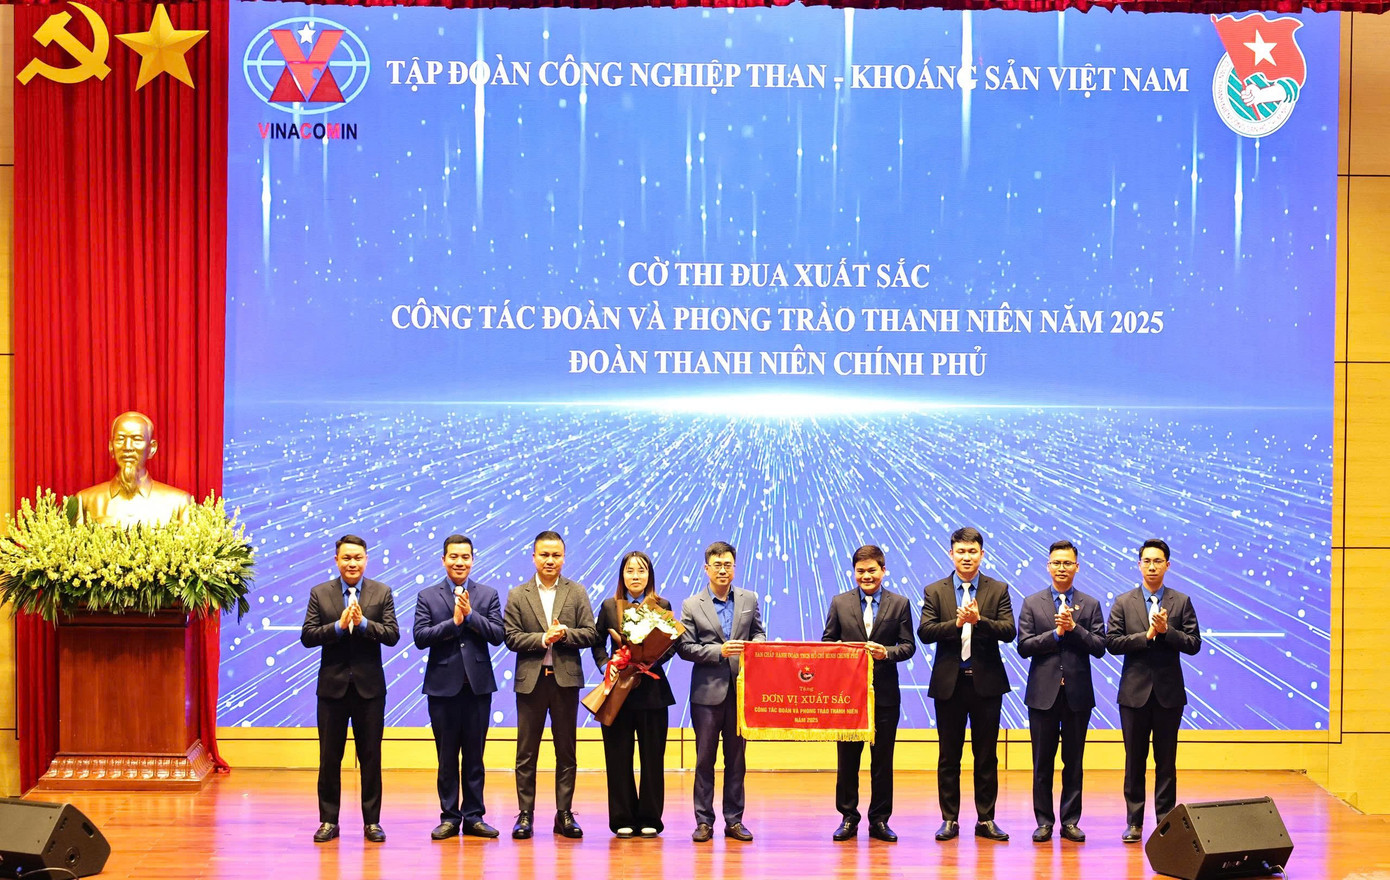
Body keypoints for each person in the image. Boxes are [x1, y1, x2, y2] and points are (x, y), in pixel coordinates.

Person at [917, 526, 1016, 843]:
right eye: (961, 551)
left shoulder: (997, 589)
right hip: (950, 685)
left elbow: (1009, 631)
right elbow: (925, 632)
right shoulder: (935, 591)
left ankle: (986, 819)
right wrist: (957, 623)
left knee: (986, 756)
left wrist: (979, 621)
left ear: (982, 554)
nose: (967, 557)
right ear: (951, 554)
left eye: (972, 551)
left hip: (986, 684)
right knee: (949, 756)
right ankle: (949, 819)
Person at [299, 535, 400, 844]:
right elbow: (308, 636)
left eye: (357, 558)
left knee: (371, 757)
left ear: (366, 559)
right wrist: (338, 627)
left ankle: (372, 822)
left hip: (370, 690)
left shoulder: (382, 592)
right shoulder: (320, 593)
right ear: (336, 560)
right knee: (329, 758)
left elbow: (392, 635)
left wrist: (364, 624)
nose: (352, 563)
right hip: (332, 690)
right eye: (346, 558)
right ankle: (329, 821)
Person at [503, 530, 599, 840]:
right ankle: (525, 814)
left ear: (563, 558)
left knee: (566, 751)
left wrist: (565, 634)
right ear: (533, 557)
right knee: (526, 753)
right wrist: (543, 638)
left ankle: (564, 814)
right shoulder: (518, 594)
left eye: (556, 555)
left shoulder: (576, 592)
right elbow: (511, 638)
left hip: (565, 682)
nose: (550, 560)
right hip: (531, 682)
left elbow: (591, 633)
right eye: (544, 554)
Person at [1107, 538, 1202, 843]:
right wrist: (1146, 636)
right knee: (1134, 761)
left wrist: (1166, 631)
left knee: (1166, 762)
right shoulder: (1124, 602)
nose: (1152, 566)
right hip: (1133, 695)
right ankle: (1134, 822)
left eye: (1157, 561)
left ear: (1167, 565)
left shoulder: (1181, 601)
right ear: (1139, 565)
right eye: (1146, 561)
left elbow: (1194, 644)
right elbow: (1112, 643)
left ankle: (1165, 823)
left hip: (1168, 695)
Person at [412, 534, 505, 840]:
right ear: (443, 560)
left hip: (478, 688)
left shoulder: (488, 594)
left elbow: (498, 635)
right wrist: (453, 623)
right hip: (442, 689)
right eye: (453, 556)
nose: (459, 562)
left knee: (475, 757)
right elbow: (420, 637)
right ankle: (450, 817)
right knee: (447, 757)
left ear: (473, 560)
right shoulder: (428, 596)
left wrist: (470, 616)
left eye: (465, 557)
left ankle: (474, 816)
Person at [821, 544, 916, 842]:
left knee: (882, 761)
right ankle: (848, 817)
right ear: (854, 572)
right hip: (848, 697)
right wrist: (839, 652)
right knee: (847, 761)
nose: (866, 576)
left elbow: (908, 646)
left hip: (885, 696)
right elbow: (827, 643)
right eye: (860, 571)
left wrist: (885, 653)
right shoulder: (840, 602)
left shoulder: (899, 604)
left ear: (883, 571)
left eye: (872, 570)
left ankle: (880, 820)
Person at [1016, 540, 1107, 844]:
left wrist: (1074, 629)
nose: (1062, 568)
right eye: (1056, 562)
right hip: (1042, 696)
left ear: (1077, 567)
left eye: (1067, 563)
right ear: (1048, 566)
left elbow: (1100, 647)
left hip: (1077, 696)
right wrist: (1056, 634)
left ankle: (1070, 821)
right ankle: (1044, 822)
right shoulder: (1032, 603)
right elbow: (1024, 647)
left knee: (1074, 762)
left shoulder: (1090, 604)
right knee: (1042, 763)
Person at [676, 540, 766, 843]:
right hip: (706, 694)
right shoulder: (692, 604)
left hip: (741, 692)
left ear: (734, 567)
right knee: (704, 760)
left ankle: (734, 821)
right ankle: (703, 822)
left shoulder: (749, 598)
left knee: (736, 760)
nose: (723, 570)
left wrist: (756, 645)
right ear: (707, 568)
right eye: (717, 565)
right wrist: (719, 651)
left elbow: (758, 632)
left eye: (728, 564)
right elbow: (685, 648)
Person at [591, 551, 677, 838]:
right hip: (618, 692)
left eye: (641, 571)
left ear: (649, 575)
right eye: (630, 571)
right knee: (618, 757)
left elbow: (672, 643)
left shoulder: (661, 605)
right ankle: (622, 818)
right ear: (622, 576)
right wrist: (608, 665)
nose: (636, 576)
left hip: (652, 692)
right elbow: (597, 643)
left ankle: (650, 817)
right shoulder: (609, 606)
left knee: (652, 758)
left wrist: (651, 661)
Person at [73, 411, 193, 526]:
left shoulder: (178, 502)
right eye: (120, 439)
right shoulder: (86, 500)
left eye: (137, 439)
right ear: (111, 447)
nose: (128, 447)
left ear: (152, 448)